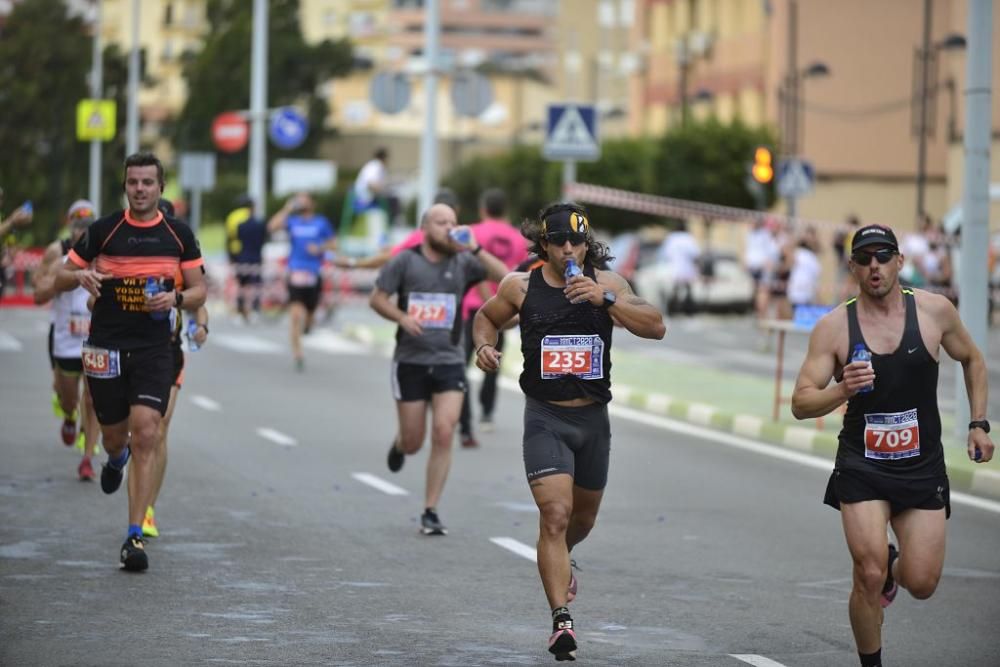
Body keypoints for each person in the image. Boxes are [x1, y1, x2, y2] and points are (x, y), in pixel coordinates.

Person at [790, 223, 994, 667]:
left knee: (922, 582)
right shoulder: (833, 328)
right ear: (853, 268)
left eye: (883, 256)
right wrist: (841, 390)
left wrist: (979, 423)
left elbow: (973, 359)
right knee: (867, 571)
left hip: (921, 466)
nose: (874, 266)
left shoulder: (934, 312)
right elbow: (801, 403)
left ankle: (893, 569)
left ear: (901, 261)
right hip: (863, 465)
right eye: (864, 259)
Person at [472, 202, 666, 661]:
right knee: (554, 516)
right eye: (558, 241)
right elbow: (486, 317)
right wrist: (484, 344)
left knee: (581, 521)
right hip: (546, 418)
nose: (567, 249)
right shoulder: (520, 286)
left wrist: (608, 301)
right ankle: (561, 620)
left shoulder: (609, 284)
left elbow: (656, 326)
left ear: (587, 244)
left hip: (593, 421)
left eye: (575, 241)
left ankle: (562, 555)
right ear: (544, 244)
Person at [54, 152, 206, 572]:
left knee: (147, 433)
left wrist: (175, 298)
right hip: (106, 346)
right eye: (134, 182)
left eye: (148, 183)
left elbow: (198, 292)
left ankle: (134, 534)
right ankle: (114, 458)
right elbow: (58, 277)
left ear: (161, 187)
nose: (140, 189)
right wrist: (79, 276)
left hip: (155, 349)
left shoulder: (178, 235)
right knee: (117, 438)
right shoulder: (103, 230)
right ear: (125, 186)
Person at [370, 203, 508, 536]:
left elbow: (505, 277)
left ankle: (430, 510)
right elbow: (377, 298)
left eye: (453, 222)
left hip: (449, 359)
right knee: (416, 441)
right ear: (424, 228)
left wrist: (474, 245)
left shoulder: (463, 261)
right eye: (440, 222)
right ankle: (402, 442)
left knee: (444, 432)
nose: (449, 227)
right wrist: (401, 317)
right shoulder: (405, 261)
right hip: (411, 360)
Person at [31, 200, 101, 480]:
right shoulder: (56, 255)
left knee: (94, 398)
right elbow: (39, 295)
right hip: (65, 338)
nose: (82, 232)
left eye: (88, 227)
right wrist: (64, 280)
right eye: (77, 226)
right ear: (70, 227)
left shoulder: (104, 253)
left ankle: (87, 458)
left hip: (95, 339)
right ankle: (71, 415)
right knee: (69, 398)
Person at [457, 188, 528, 448]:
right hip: (505, 310)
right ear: (505, 209)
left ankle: (464, 421)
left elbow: (470, 270)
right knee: (493, 363)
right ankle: (487, 412)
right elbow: (521, 275)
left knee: (462, 365)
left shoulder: (471, 233)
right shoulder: (518, 238)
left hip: (472, 310)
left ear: (483, 208)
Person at [267, 192, 336, 371]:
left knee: (310, 314)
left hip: (313, 273)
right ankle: (298, 354)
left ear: (312, 202)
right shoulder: (293, 221)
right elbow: (272, 227)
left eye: (305, 198)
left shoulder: (321, 222)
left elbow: (334, 244)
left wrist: (319, 247)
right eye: (299, 199)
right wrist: (287, 208)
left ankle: (309, 324)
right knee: (295, 315)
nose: (301, 201)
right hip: (295, 272)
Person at [226, 194, 267, 323]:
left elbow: (229, 237)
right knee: (255, 283)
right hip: (254, 254)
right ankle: (255, 309)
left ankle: (240, 310)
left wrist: (230, 255)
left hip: (238, 253)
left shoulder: (232, 217)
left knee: (241, 284)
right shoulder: (255, 218)